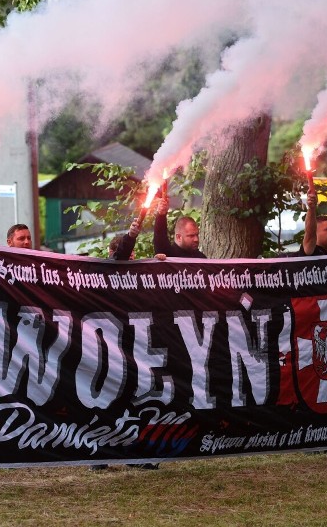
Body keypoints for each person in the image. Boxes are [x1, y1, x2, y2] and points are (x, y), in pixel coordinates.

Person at [90, 218, 159, 471]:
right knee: (105, 399)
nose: (123, 259)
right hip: (106, 348)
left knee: (134, 401)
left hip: (134, 349)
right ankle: (99, 453)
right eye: (119, 254)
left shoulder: (138, 275)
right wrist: (132, 233)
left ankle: (132, 452)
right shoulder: (103, 274)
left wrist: (164, 265)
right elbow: (117, 259)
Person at [153, 192, 206, 259]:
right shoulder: (168, 255)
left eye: (197, 235)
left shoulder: (201, 258)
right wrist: (161, 215)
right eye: (191, 236)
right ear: (178, 237)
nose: (196, 239)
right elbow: (160, 239)